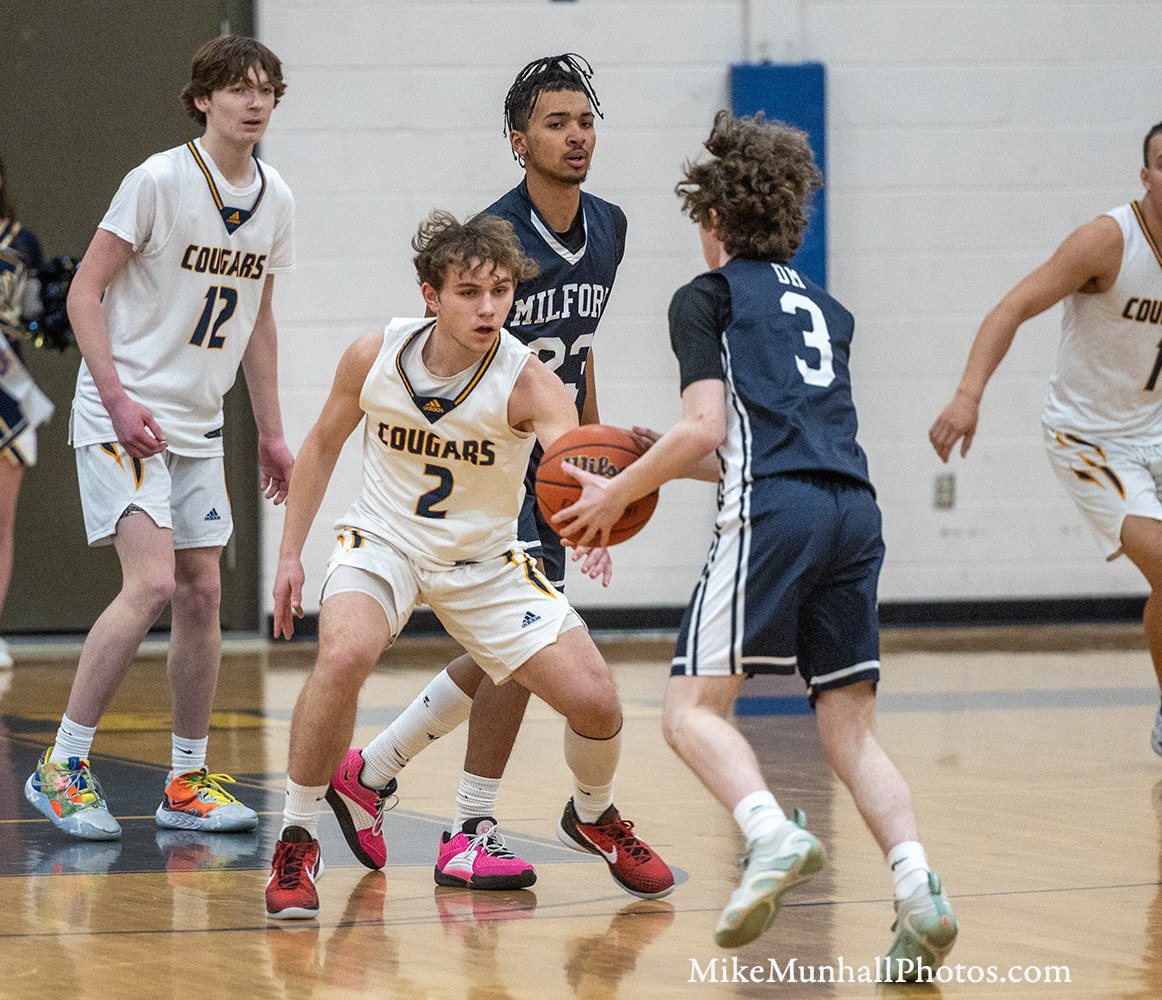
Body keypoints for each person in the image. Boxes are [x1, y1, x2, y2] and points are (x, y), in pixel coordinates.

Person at [552, 110, 957, 975]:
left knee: (690, 712)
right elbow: (749, 442)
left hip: (776, 511)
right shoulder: (828, 309)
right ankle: (918, 891)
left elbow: (704, 429)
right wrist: (656, 461)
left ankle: (770, 835)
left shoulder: (707, 297)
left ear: (710, 215)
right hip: (854, 512)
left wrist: (620, 488)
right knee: (850, 729)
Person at [265, 209, 672, 920]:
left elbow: (574, 458)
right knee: (345, 653)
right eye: (470, 292)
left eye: (501, 292)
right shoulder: (374, 355)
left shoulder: (527, 381)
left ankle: (592, 813)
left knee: (597, 702)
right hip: (383, 542)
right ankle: (297, 838)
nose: (489, 308)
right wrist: (290, 552)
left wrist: (597, 517)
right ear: (432, 296)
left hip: (485, 560)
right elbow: (324, 443)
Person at [321, 54, 627, 891]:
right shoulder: (494, 240)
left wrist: (589, 464)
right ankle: (469, 824)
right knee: (519, 650)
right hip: (485, 470)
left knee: (515, 650)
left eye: (585, 121)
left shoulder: (609, 225)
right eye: (556, 123)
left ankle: (373, 771)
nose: (575, 136)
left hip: (547, 460)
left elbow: (579, 359)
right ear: (519, 140)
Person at [24, 35, 294, 841]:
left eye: (266, 89)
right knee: (150, 585)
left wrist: (273, 433)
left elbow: (258, 321)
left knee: (203, 593)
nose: (254, 101)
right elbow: (84, 293)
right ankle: (62, 765)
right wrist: (115, 396)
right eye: (238, 87)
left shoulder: (276, 197)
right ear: (203, 98)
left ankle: (185, 781)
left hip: (198, 424)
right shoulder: (158, 180)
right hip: (125, 415)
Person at [930, 119, 1162, 774]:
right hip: (1088, 438)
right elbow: (1011, 307)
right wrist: (967, 395)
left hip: (1157, 431)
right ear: (1145, 176)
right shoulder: (1107, 240)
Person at [0, 153, 54, 669]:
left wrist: (55, 314)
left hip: (6, 395)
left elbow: (36, 318)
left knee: (1, 523)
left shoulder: (22, 243)